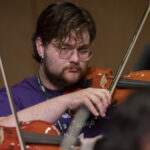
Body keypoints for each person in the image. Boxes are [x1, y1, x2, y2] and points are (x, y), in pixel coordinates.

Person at [0, 1, 111, 138]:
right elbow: (3, 129)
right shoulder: (13, 97)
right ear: (41, 47)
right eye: (64, 48)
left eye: (82, 50)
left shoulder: (102, 95)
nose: (75, 59)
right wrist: (67, 101)